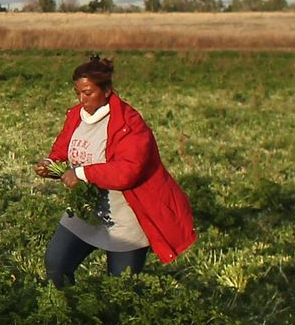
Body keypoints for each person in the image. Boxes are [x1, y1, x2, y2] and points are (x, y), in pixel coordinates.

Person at [34, 55, 195, 287]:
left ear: (107, 90)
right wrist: (50, 164)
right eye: (77, 93)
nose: (81, 99)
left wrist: (81, 174)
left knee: (121, 289)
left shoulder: (130, 124)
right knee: (56, 264)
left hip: (126, 218)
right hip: (86, 210)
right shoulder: (76, 117)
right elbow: (62, 150)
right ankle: (68, 316)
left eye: (88, 93)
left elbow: (128, 171)